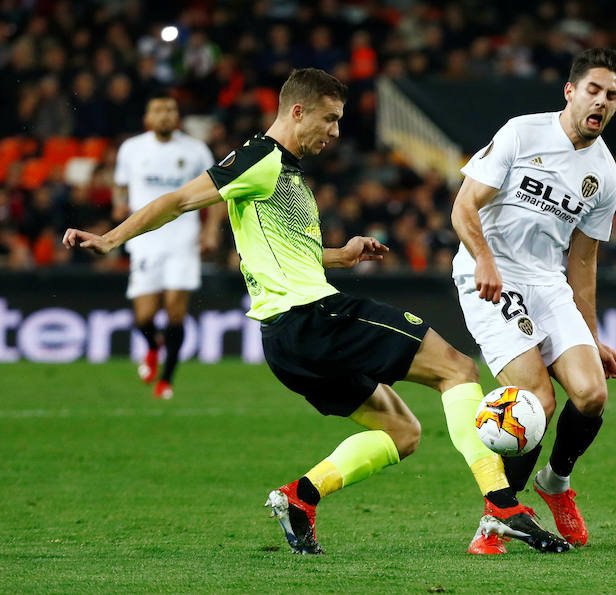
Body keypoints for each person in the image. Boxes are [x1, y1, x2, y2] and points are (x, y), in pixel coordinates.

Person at [64, 68, 569, 555]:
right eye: (329, 119)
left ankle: (300, 499)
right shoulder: (258, 159)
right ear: (298, 111)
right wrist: (111, 239)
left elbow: (281, 250)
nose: (335, 131)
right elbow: (177, 201)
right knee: (457, 369)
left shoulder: (283, 174)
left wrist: (341, 255)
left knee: (402, 432)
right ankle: (502, 507)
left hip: (285, 342)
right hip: (315, 317)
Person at [450, 48, 616, 551]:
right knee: (536, 404)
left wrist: (592, 338)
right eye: (593, 90)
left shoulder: (606, 176)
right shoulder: (521, 133)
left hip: (547, 283)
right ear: (570, 91)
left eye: (612, 95)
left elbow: (584, 262)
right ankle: (498, 518)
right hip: (489, 276)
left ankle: (555, 482)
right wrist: (484, 258)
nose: (602, 101)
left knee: (592, 394)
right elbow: (464, 204)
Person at [112, 95, 221, 400]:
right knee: (144, 317)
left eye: (171, 110)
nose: (165, 115)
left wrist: (210, 231)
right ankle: (151, 346)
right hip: (144, 241)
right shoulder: (131, 149)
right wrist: (120, 205)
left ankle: (167, 379)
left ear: (178, 117)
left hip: (182, 240)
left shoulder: (196, 150)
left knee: (175, 310)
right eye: (158, 110)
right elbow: (120, 184)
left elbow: (217, 193)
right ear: (148, 117)